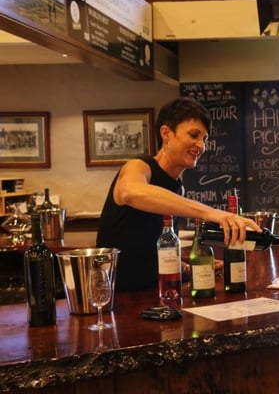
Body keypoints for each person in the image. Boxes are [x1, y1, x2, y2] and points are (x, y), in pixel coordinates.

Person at [97, 97, 261, 292]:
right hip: (118, 297)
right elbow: (129, 192)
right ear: (166, 133)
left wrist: (192, 267)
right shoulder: (139, 167)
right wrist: (214, 214)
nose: (201, 146)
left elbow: (154, 252)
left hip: (156, 294)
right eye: (194, 135)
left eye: (204, 139)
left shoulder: (177, 188)